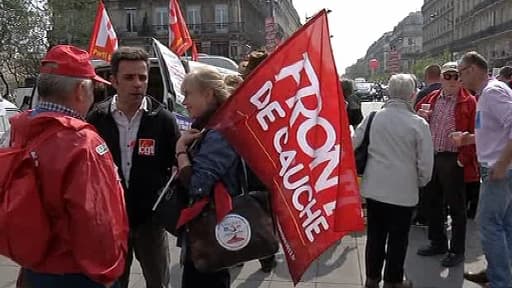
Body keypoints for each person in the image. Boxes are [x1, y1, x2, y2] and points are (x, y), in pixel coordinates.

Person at [9, 45, 128, 287]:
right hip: (77, 271)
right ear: (80, 92)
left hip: (35, 265)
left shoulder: (20, 130)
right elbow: (97, 219)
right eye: (93, 88)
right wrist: (108, 273)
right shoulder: (83, 142)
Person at [87, 47, 180, 288]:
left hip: (150, 222)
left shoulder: (163, 120)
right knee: (115, 283)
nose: (138, 83)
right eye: (129, 78)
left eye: (142, 77)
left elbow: (175, 167)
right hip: (111, 223)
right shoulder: (96, 119)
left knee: (158, 282)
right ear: (113, 80)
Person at [353, 74, 434, 288]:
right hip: (404, 192)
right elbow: (426, 164)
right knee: (399, 238)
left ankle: (371, 279)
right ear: (412, 94)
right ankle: (393, 280)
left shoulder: (373, 118)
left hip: (374, 189)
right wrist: (420, 182)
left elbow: (353, 143)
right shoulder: (419, 124)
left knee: (375, 236)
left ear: (388, 92)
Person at [176, 68, 243, 287]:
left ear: (208, 94)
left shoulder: (219, 131)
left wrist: (180, 151)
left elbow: (197, 185)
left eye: (188, 94)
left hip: (211, 233)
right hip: (205, 232)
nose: (184, 101)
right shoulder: (208, 127)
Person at [455, 51, 512, 287]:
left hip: (500, 169)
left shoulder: (492, 92)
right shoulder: (487, 94)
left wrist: (502, 163)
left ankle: (500, 281)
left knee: (489, 225)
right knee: (504, 225)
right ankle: (499, 273)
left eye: (460, 73)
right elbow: (494, 131)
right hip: (500, 167)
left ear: (473, 69)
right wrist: (468, 139)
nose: (459, 79)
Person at [415, 62, 477, 268]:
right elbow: (416, 113)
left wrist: (462, 160)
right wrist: (421, 116)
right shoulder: (432, 99)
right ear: (441, 78)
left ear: (461, 79)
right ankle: (438, 242)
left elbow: (476, 134)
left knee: (457, 207)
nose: (451, 80)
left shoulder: (469, 102)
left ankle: (457, 250)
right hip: (433, 155)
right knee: (432, 202)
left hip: (453, 158)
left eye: (455, 76)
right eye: (447, 76)